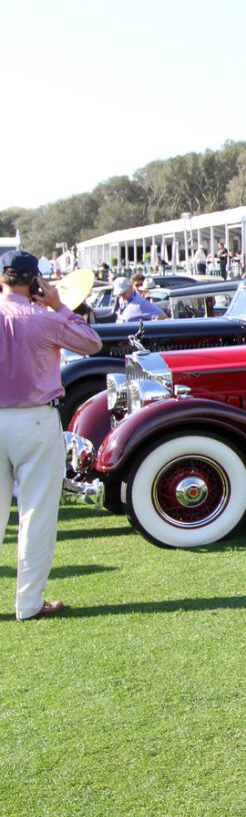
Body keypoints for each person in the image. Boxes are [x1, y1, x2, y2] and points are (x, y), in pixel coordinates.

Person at [1, 251, 102, 620]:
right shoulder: (44, 319)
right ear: (35, 282)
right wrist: (59, 306)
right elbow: (92, 344)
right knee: (36, 515)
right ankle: (28, 604)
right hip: (36, 421)